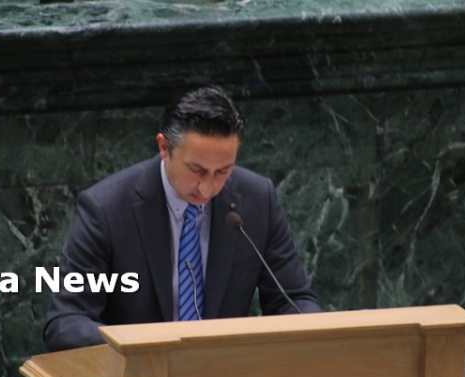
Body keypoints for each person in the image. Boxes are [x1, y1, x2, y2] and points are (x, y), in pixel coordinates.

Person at [43, 86, 322, 352]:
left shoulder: (258, 200)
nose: (208, 189)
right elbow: (66, 322)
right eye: (197, 170)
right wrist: (138, 349)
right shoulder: (106, 209)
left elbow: (293, 300)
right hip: (136, 375)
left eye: (223, 171)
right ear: (164, 148)